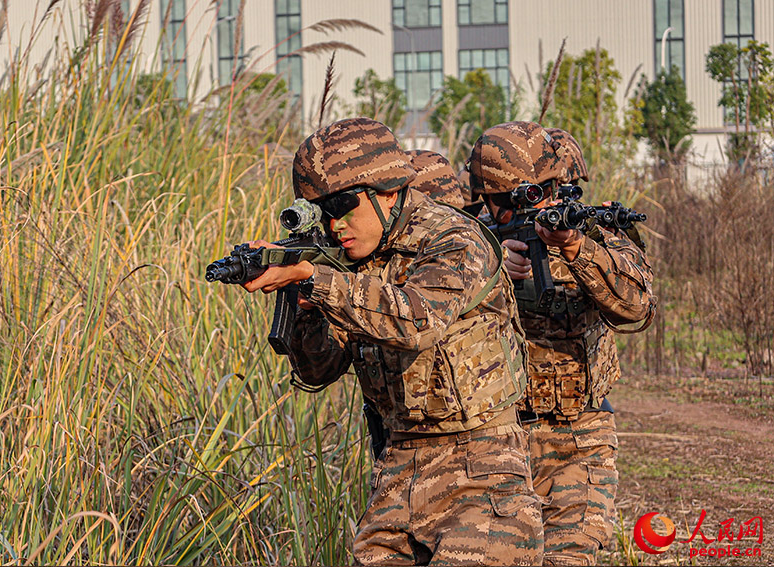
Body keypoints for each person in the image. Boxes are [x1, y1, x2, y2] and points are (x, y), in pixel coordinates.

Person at [242, 117, 543, 566]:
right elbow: (319, 370)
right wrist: (305, 310)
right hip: (396, 471)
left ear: (387, 191)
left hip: (481, 471)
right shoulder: (348, 259)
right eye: (319, 210)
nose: (333, 223)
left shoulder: (454, 238)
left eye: (342, 204)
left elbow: (418, 320)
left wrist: (318, 281)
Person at [468, 121, 656, 566]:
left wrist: (576, 250)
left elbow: (636, 308)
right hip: (493, 441)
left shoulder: (592, 233)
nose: (522, 210)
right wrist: (489, 273)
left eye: (541, 192)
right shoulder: (467, 241)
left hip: (578, 436)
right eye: (502, 203)